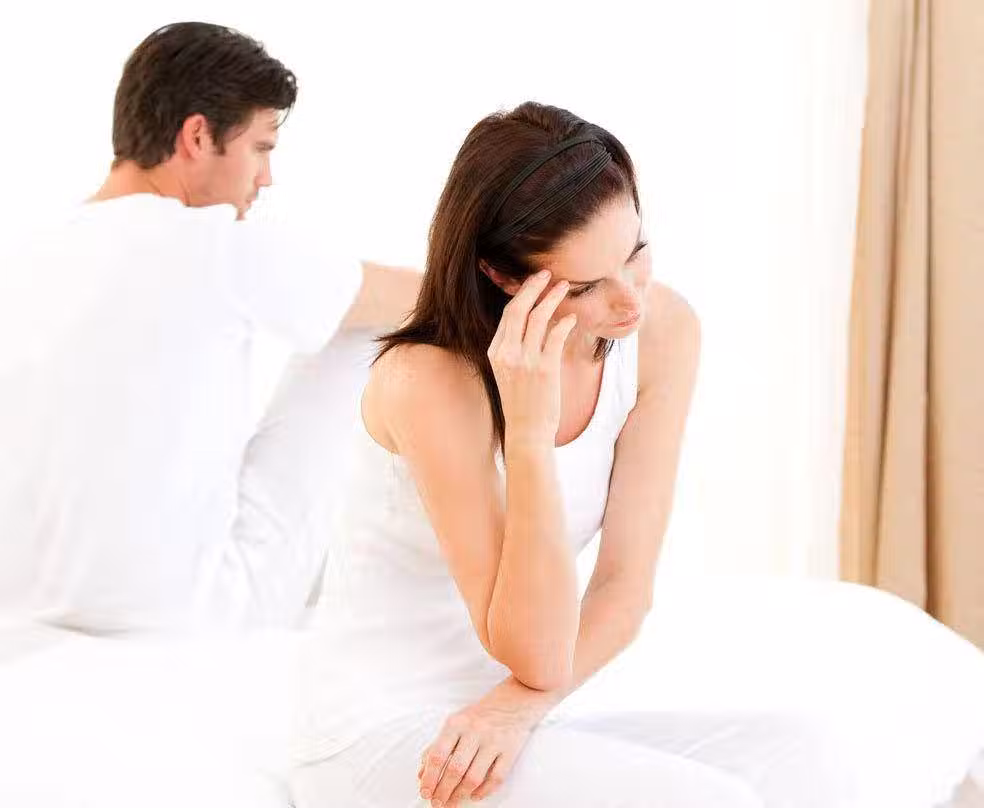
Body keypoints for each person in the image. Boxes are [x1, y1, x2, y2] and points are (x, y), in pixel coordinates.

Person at [289, 102, 860, 807]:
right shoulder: (427, 382)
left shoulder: (662, 332)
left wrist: (514, 710)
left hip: (511, 716)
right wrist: (528, 434)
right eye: (588, 286)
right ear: (505, 277)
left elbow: (623, 588)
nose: (630, 303)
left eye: (635, 253)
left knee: (805, 757)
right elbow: (533, 651)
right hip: (383, 730)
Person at [0, 22, 420, 633]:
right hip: (192, 611)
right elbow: (419, 296)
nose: (266, 177)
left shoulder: (24, 258)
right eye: (261, 147)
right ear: (197, 136)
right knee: (362, 325)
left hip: (25, 607)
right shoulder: (213, 244)